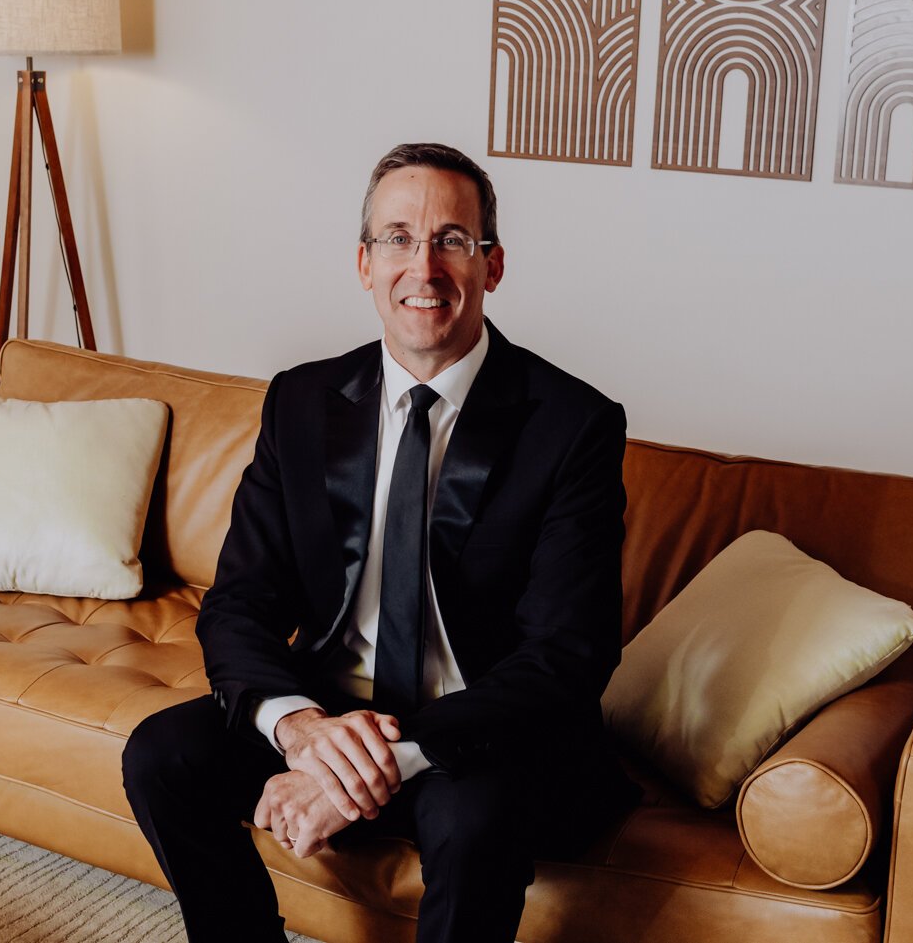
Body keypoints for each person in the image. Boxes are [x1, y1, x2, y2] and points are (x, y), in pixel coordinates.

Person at [122, 142, 635, 943]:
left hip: (482, 735)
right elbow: (239, 603)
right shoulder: (301, 400)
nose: (422, 267)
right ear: (364, 263)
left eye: (452, 240)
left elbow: (566, 656)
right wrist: (301, 731)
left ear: (492, 265)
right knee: (161, 753)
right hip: (331, 707)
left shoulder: (572, 426)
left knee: (477, 819)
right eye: (397, 237)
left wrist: (381, 764)